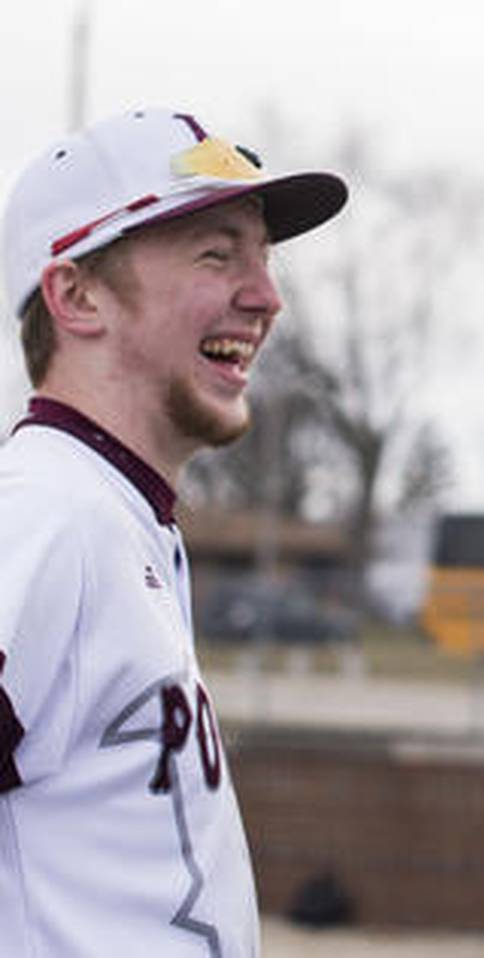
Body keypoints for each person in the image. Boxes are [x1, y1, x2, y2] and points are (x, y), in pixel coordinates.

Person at [0, 108, 346, 956]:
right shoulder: (48, 512)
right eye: (216, 253)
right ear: (76, 296)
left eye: (262, 258)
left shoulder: (114, 514)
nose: (266, 295)